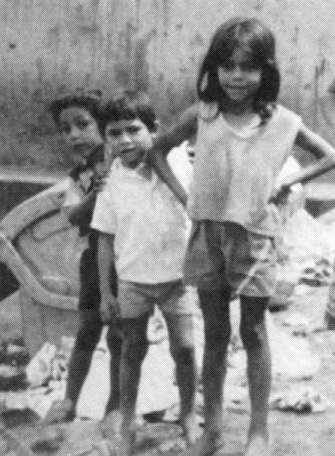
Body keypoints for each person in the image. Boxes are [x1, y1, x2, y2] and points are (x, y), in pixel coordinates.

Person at [147, 17, 335, 456]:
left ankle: (258, 432)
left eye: (247, 67)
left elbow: (329, 155)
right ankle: (212, 430)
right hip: (207, 236)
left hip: (254, 241)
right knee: (213, 335)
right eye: (226, 65)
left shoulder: (283, 122)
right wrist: (184, 195)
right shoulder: (202, 115)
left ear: (265, 71)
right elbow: (157, 151)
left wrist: (289, 183)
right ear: (213, 68)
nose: (236, 76)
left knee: (253, 332)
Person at [91, 90, 199, 455]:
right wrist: (106, 293)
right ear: (105, 139)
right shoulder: (110, 183)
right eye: (114, 133)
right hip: (133, 283)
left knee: (184, 348)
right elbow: (104, 240)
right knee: (131, 350)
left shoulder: (180, 165)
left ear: (154, 129)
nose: (125, 140)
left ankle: (187, 413)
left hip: (177, 280)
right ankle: (126, 419)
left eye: (133, 130)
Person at [44, 89, 123, 430]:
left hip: (129, 258)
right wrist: (97, 192)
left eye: (82, 124)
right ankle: (69, 401)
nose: (74, 135)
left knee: (120, 336)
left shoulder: (123, 157)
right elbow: (74, 216)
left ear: (102, 125)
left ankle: (115, 407)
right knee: (87, 331)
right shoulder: (80, 175)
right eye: (66, 129)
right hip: (95, 261)